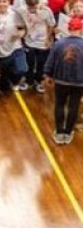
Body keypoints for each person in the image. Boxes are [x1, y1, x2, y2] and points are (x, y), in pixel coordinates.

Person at [44, 16, 83, 144]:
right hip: (79, 82)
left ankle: (59, 132)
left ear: (68, 28)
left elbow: (50, 62)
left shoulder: (59, 43)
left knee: (59, 104)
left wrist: (48, 75)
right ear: (81, 29)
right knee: (74, 105)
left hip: (61, 80)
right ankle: (68, 132)